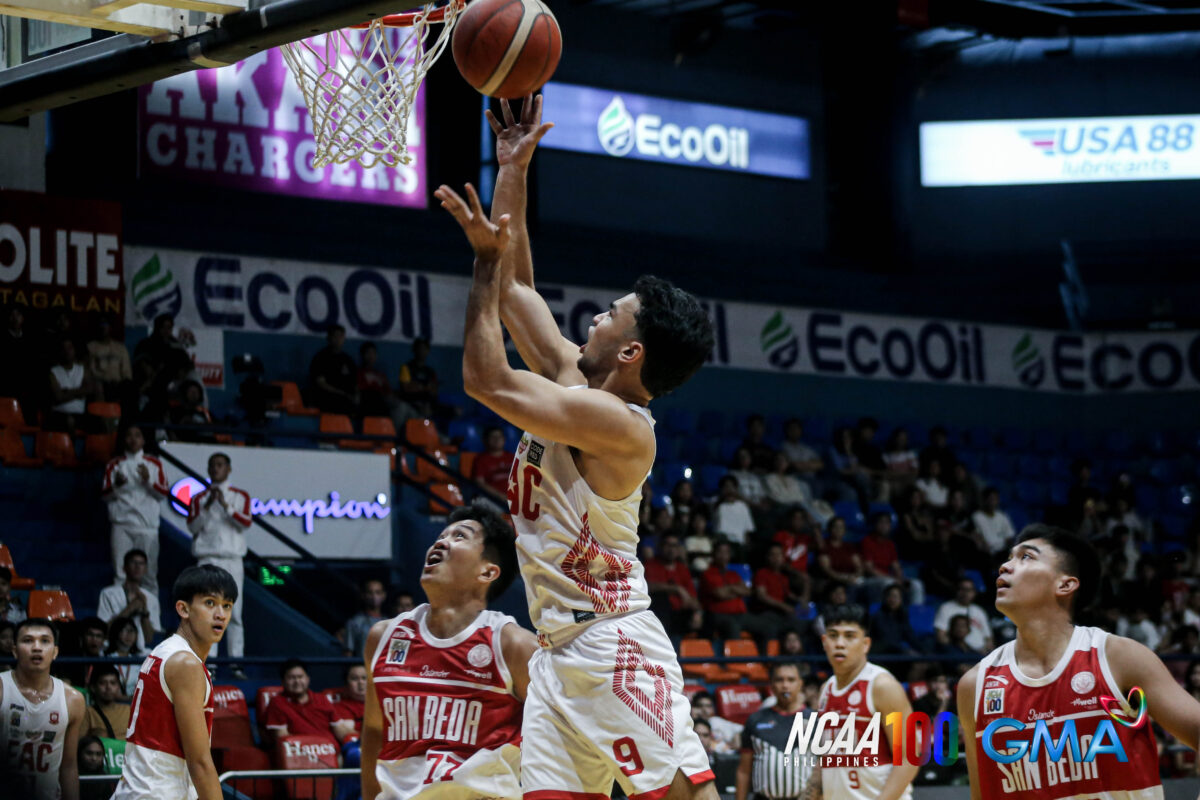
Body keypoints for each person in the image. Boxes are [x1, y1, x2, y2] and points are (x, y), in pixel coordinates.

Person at [435, 93, 716, 800]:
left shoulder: (621, 426)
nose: (589, 318)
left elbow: (485, 377)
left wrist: (479, 266)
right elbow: (519, 284)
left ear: (629, 350)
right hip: (561, 650)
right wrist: (514, 165)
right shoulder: (573, 378)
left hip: (615, 646)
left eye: (608, 314)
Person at [957, 524, 1200, 800]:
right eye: (1009, 557)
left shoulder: (1118, 657)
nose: (1005, 566)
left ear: (1065, 584)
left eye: (1026, 557)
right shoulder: (975, 684)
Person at [360, 502, 537, 800]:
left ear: (487, 572)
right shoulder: (383, 638)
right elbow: (375, 731)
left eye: (460, 536)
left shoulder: (514, 646)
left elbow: (558, 739)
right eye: (440, 536)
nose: (441, 541)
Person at [111, 564, 236, 800]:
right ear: (183, 609)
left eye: (227, 605)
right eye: (210, 603)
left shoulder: (164, 652)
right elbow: (199, 762)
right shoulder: (185, 664)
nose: (220, 614)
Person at [801, 604, 918, 800]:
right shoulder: (826, 690)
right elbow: (824, 758)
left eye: (849, 636)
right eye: (833, 635)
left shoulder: (882, 686)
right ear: (824, 641)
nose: (839, 643)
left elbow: (909, 758)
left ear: (865, 644)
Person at [0, 618, 86, 800]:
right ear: (14, 651)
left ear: (55, 652)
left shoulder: (73, 700)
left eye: (45, 641)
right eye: (28, 640)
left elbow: (69, 766)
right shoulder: (1, 689)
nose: (36, 647)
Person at [186, 452, 251, 675]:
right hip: (207, 558)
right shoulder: (199, 498)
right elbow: (192, 527)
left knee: (235, 612)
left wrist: (226, 506)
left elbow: (245, 522)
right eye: (212, 465)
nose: (216, 469)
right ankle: (208, 664)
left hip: (232, 558)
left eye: (220, 465)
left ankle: (236, 664)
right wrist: (208, 506)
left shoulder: (239, 495)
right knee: (207, 612)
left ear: (228, 469)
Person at [102, 425, 168, 591]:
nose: (133, 439)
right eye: (129, 435)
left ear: (143, 440)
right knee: (120, 574)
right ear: (124, 440)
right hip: (122, 524)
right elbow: (105, 495)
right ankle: (122, 616)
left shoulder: (154, 464)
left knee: (149, 575)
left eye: (137, 435)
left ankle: (151, 616)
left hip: (147, 526)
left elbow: (163, 493)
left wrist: (148, 481)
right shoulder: (114, 465)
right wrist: (116, 485)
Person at [737, 662, 813, 800]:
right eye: (779, 680)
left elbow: (827, 770)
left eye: (791, 680)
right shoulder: (755, 720)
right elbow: (744, 771)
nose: (785, 685)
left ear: (800, 684)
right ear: (771, 685)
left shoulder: (816, 720)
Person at [701, 540, 776, 647]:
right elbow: (720, 594)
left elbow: (748, 591)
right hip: (718, 615)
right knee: (733, 626)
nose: (723, 556)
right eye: (720, 552)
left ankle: (765, 660)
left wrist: (730, 589)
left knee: (768, 626)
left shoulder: (733, 574)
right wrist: (736, 590)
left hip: (740, 614)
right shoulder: (707, 574)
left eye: (726, 552)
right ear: (714, 554)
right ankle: (735, 662)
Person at [264, 659, 346, 742]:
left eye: (300, 677)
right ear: (283, 682)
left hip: (332, 750)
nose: (297, 681)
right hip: (301, 752)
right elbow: (283, 738)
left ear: (307, 679)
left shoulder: (322, 699)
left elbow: (339, 729)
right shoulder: (277, 703)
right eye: (291, 678)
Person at [97, 549, 160, 654]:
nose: (137, 567)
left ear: (145, 569)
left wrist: (144, 610)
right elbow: (104, 631)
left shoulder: (151, 599)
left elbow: (149, 639)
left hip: (140, 653)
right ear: (124, 568)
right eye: (133, 562)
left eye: (141, 563)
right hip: (112, 651)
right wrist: (131, 608)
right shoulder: (108, 594)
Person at [644, 533, 702, 638]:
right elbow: (647, 587)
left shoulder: (682, 569)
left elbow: (692, 597)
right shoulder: (650, 565)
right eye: (668, 545)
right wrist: (677, 589)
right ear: (661, 546)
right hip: (658, 616)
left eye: (675, 546)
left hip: (680, 616)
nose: (671, 549)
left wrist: (697, 612)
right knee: (661, 599)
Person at [47, 338, 96, 432]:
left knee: (100, 422)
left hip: (79, 415)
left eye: (69, 348)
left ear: (74, 350)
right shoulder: (53, 372)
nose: (67, 351)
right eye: (64, 348)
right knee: (69, 421)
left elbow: (89, 389)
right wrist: (80, 392)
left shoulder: (83, 370)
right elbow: (58, 397)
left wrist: (66, 392)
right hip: (58, 415)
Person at [933, 579, 993, 654]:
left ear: (974, 593)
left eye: (969, 590)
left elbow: (988, 638)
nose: (965, 593)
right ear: (956, 590)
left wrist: (987, 652)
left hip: (981, 654)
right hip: (959, 653)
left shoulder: (979, 610)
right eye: (962, 589)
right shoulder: (946, 608)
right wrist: (959, 650)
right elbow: (941, 637)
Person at [309, 324, 358, 416]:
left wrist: (357, 396)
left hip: (347, 398)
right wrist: (341, 393)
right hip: (327, 397)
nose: (338, 339)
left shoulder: (348, 360)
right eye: (335, 336)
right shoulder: (321, 358)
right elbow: (321, 383)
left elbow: (355, 384)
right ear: (329, 338)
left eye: (341, 336)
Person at [470, 426, 515, 507]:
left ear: (504, 439)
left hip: (514, 497)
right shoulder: (481, 459)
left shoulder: (513, 458)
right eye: (493, 437)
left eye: (499, 436)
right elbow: (480, 483)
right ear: (485, 440)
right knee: (481, 503)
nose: (497, 440)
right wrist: (501, 496)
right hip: (492, 499)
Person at [341, 578, 387, 658]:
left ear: (383, 595)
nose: (374, 596)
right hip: (363, 668)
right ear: (363, 595)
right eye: (370, 593)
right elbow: (348, 653)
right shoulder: (355, 622)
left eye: (378, 592)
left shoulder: (391, 622)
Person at [83, 665, 131, 741]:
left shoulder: (128, 710)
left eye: (113, 683)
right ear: (93, 687)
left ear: (118, 687)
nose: (108, 687)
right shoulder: (87, 712)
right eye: (102, 683)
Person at [397, 337, 439, 419]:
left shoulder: (430, 371)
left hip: (427, 404)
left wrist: (418, 387)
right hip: (410, 404)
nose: (421, 351)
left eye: (424, 348)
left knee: (455, 410)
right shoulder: (406, 368)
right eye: (419, 348)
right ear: (414, 350)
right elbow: (406, 388)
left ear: (428, 351)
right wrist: (425, 387)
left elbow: (434, 391)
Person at [103, 616, 144, 699]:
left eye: (132, 631)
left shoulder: (140, 661)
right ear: (116, 633)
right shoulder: (106, 659)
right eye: (124, 630)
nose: (129, 635)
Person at [970, 488, 1015, 558]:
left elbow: (1009, 536)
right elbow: (977, 536)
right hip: (986, 553)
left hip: (1003, 551)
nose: (993, 502)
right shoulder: (977, 516)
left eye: (995, 499)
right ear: (984, 500)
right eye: (990, 499)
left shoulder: (1002, 516)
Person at [332, 664, 367, 739]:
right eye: (354, 679)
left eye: (364, 678)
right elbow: (350, 736)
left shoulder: (380, 702)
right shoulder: (341, 707)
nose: (361, 682)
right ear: (347, 683)